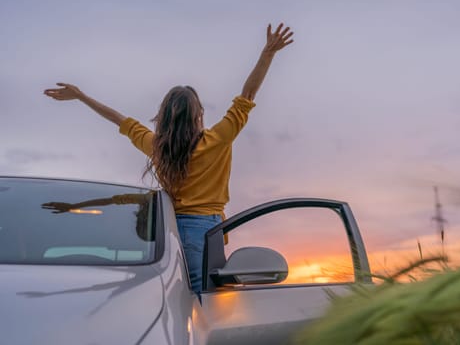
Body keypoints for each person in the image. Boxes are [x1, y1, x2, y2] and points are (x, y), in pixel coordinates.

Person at [44, 23, 294, 293]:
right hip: (204, 230)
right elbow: (247, 96)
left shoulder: (155, 145)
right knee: (203, 300)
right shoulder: (217, 139)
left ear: (163, 115)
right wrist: (268, 53)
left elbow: (118, 118)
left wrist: (81, 96)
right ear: (199, 114)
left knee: (180, 297)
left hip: (169, 226)